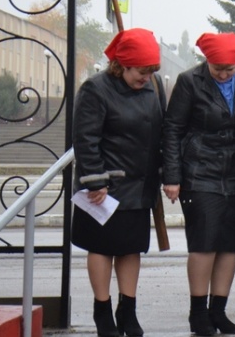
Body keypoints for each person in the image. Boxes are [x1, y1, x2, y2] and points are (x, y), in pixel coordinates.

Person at [161, 32, 235, 336]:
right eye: (218, 69)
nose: (224, 74)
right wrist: (172, 176)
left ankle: (219, 310)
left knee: (230, 243)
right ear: (206, 61)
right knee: (204, 243)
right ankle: (198, 312)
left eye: (230, 69)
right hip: (200, 170)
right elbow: (173, 129)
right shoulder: (190, 81)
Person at [72, 28, 165, 337]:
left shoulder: (154, 86)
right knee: (102, 248)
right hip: (105, 188)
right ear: (122, 65)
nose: (146, 77)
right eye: (141, 71)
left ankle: (128, 309)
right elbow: (86, 139)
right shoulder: (96, 89)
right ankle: (102, 311)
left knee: (130, 249)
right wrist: (95, 180)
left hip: (139, 184)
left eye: (151, 71)